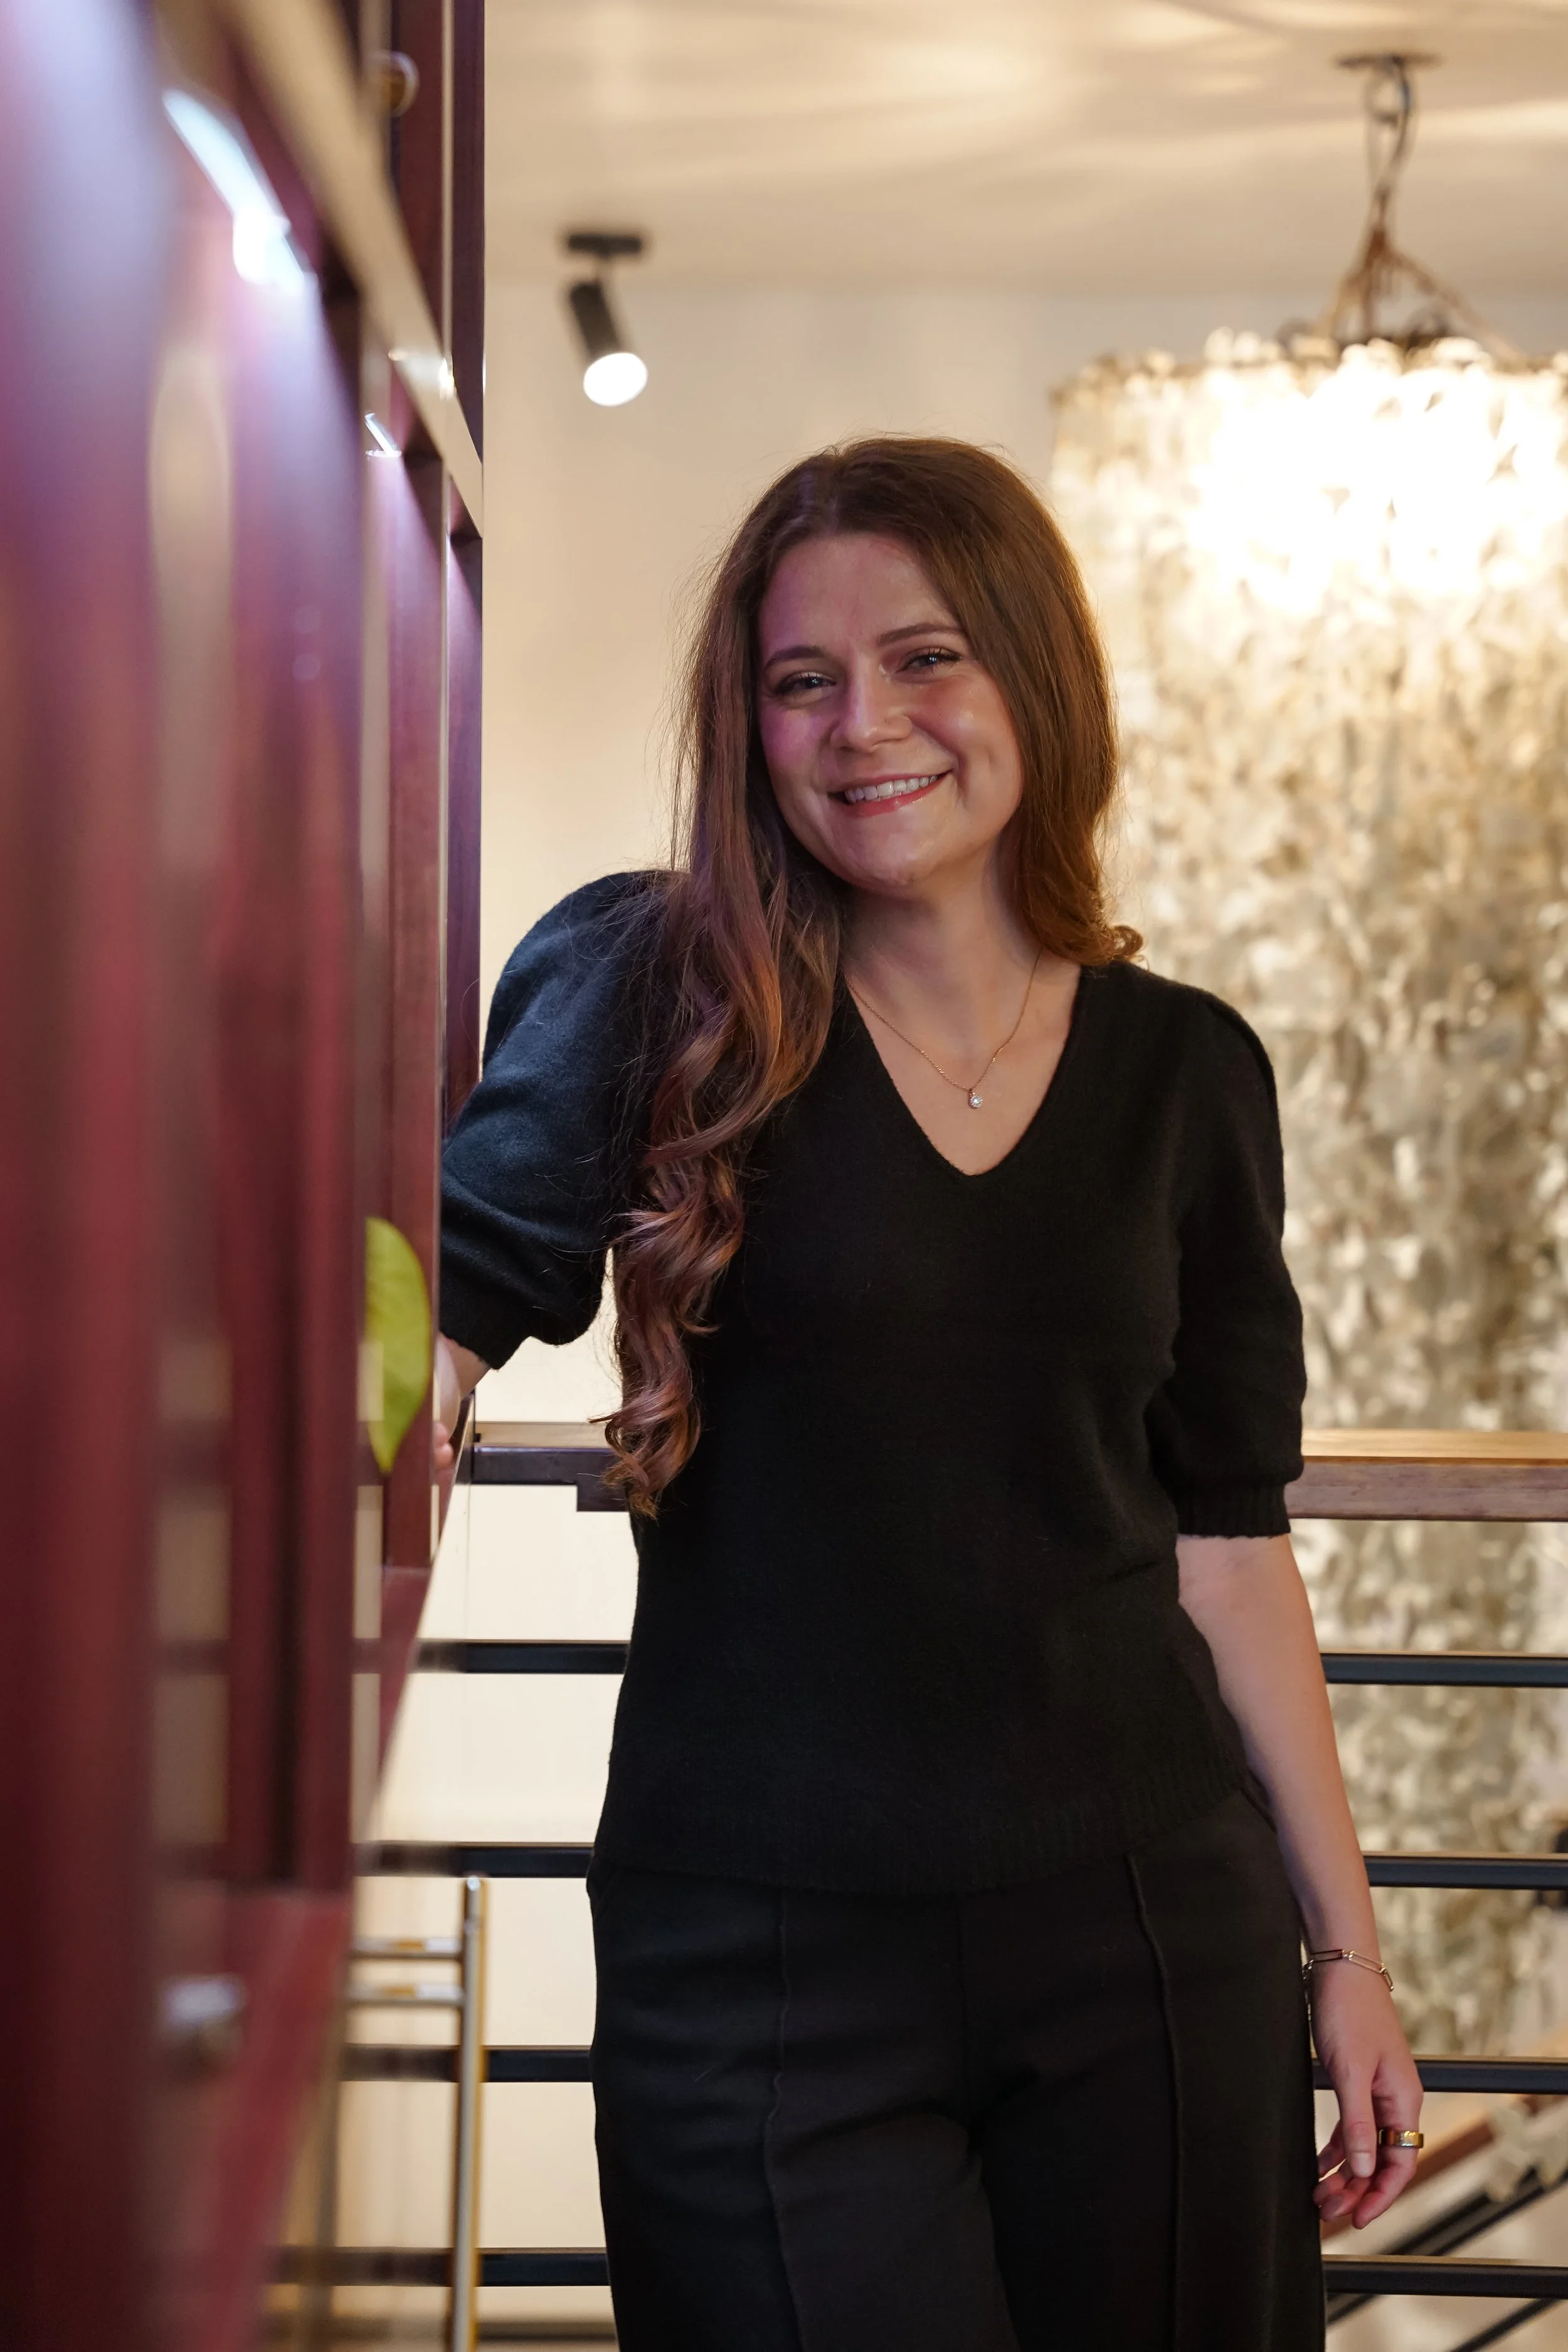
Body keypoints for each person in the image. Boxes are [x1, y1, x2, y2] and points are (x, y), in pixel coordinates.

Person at [434, 437, 1422, 2351]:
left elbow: (1227, 1548)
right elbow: (451, 1292)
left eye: (923, 660)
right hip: (755, 1952)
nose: (861, 725)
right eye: (800, 680)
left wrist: (1349, 1949)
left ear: (1032, 680)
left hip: (1146, 1931)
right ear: (747, 727)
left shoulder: (1186, 1074)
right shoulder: (655, 984)